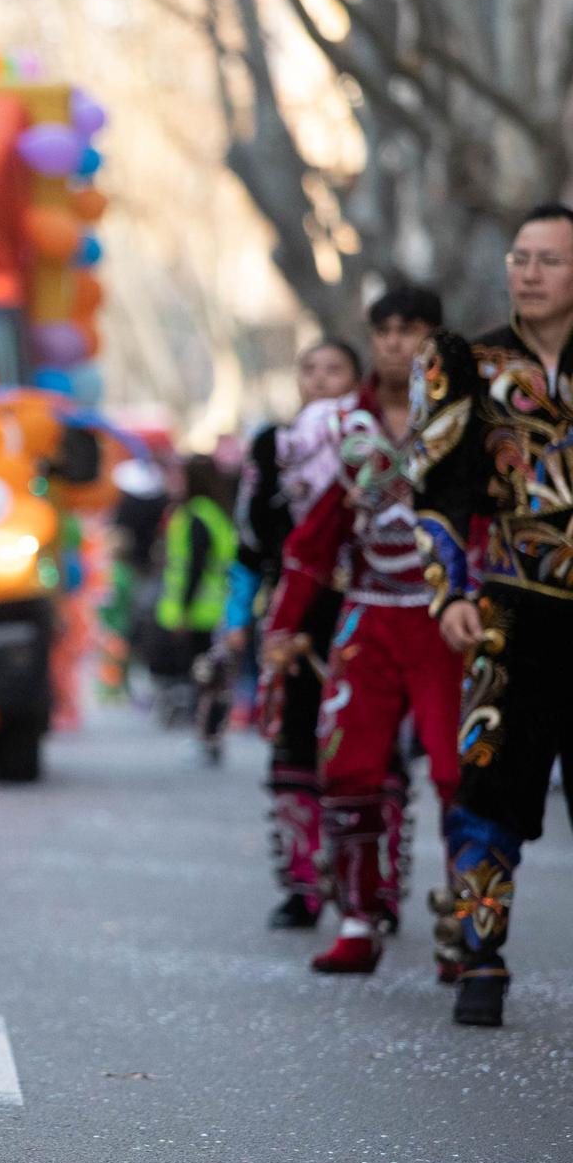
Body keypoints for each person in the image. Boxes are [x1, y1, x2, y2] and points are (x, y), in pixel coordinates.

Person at [415, 202, 573, 1028]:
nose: (529, 273)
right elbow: (438, 492)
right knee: (489, 781)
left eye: (550, 259)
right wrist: (449, 593)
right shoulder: (470, 364)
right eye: (520, 257)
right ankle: (481, 956)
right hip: (512, 611)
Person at [263, 287, 452, 974]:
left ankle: (470, 932)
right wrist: (283, 624)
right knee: (347, 767)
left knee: (460, 773)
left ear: (434, 338)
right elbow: (315, 537)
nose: (396, 342)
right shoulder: (342, 425)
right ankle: (358, 918)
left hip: (445, 619)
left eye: (411, 329)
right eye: (385, 331)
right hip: (368, 616)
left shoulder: (463, 418)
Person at [230, 339, 362, 927]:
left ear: (355, 378)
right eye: (309, 369)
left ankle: (369, 888)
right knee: (292, 742)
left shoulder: (375, 443)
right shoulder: (273, 445)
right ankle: (302, 884)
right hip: (292, 610)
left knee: (364, 747)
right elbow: (251, 535)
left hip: (363, 607)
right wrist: (238, 619)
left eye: (334, 369)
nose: (320, 379)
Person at [152, 455, 238, 758]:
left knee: (205, 677)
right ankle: (210, 737)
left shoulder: (196, 516)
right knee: (213, 677)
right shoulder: (215, 512)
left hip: (202, 612)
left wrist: (184, 611)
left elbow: (194, 568)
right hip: (218, 609)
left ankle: (207, 738)